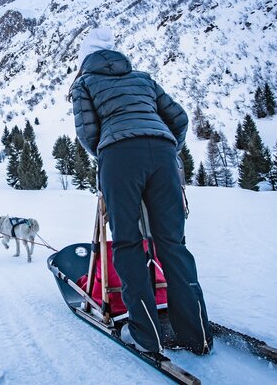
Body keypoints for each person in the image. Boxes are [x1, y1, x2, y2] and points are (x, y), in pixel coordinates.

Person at [69, 27, 212, 356]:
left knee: (129, 244)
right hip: (163, 153)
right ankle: (197, 334)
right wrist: (166, 148)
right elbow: (178, 117)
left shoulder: (84, 83)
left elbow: (87, 132)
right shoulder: (143, 78)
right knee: (173, 244)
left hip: (119, 158)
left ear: (85, 59)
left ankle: (146, 335)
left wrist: (108, 155)